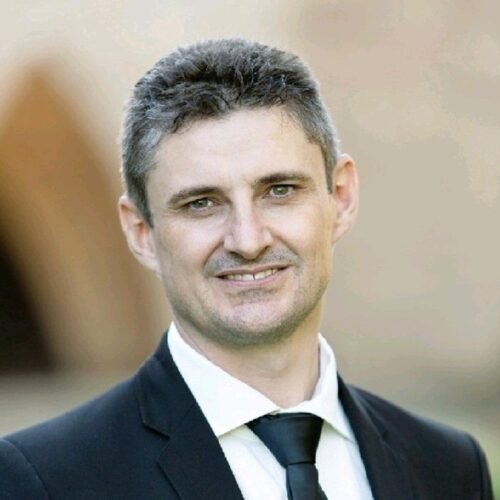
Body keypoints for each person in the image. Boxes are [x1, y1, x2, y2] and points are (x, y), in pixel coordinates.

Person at [0, 38, 493, 500]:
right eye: (201, 203)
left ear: (341, 197)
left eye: (279, 190)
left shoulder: (449, 467)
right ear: (141, 232)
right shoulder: (44, 480)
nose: (249, 240)